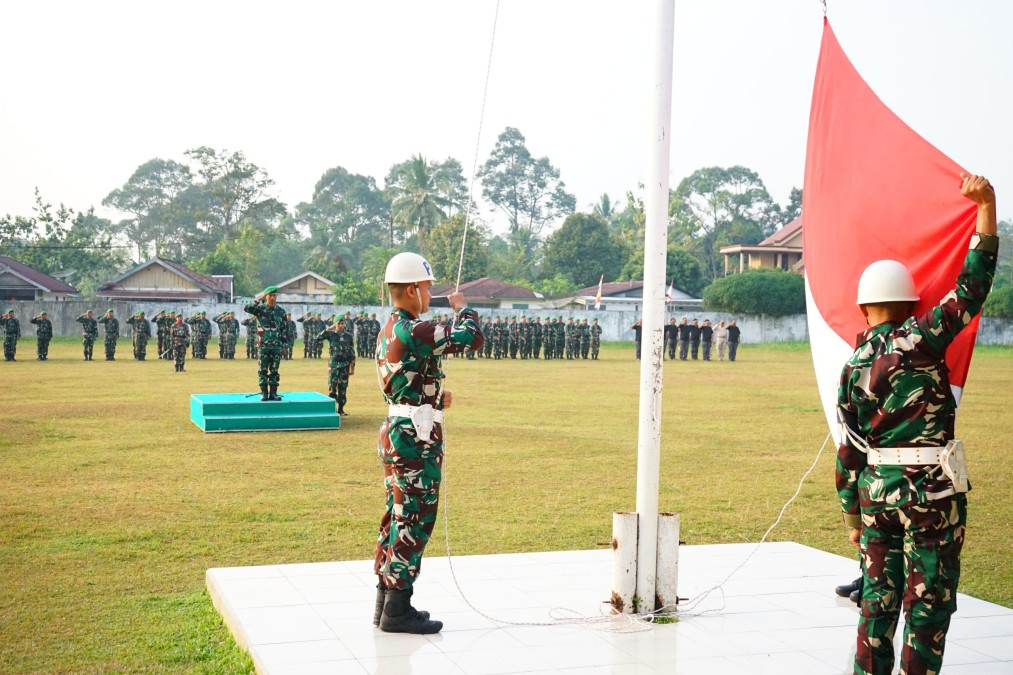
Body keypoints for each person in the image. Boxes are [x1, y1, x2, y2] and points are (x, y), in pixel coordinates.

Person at [836, 174, 997, 675]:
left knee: (876, 605)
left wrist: (852, 517)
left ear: (863, 307)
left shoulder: (854, 364)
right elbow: (972, 286)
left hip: (876, 496)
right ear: (911, 304)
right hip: (930, 495)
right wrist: (986, 209)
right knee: (927, 607)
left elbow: (849, 451)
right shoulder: (923, 336)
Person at [373, 252, 483, 634]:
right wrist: (463, 309)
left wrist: (434, 395)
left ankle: (385, 601)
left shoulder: (390, 328)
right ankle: (397, 612)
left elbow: (405, 377)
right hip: (413, 441)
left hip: (399, 430)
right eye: (425, 287)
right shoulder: (414, 329)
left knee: (397, 517)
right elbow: (471, 337)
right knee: (414, 520)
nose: (429, 294)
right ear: (409, 289)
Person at [244, 286, 287, 401]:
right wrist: (260, 298)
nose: (273, 298)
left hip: (276, 346)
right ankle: (264, 393)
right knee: (262, 369)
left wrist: (284, 345)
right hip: (263, 345)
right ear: (266, 296)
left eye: (274, 295)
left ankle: (273, 393)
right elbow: (247, 308)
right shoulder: (260, 309)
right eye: (270, 295)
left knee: (274, 370)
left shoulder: (281, 311)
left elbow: (283, 329)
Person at [316, 314, 355, 414]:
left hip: (344, 366)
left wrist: (352, 365)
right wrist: (329, 328)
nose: (341, 325)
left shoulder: (348, 336)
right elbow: (318, 337)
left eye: (342, 323)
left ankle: (341, 409)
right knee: (332, 388)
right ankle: (332, 409)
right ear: (335, 324)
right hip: (333, 365)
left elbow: (351, 351)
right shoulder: (331, 335)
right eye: (339, 323)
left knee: (343, 388)